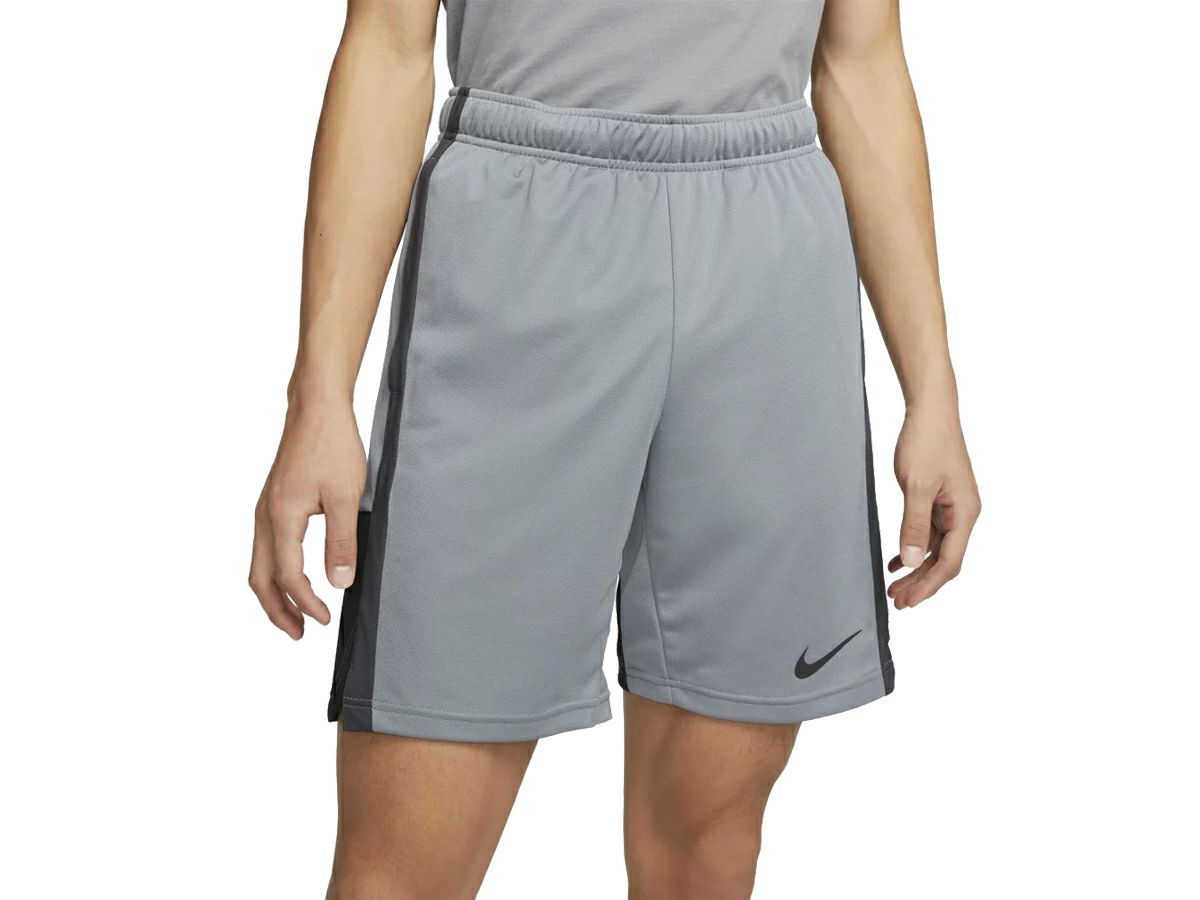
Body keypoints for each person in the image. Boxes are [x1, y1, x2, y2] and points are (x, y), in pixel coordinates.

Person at [249, 0, 981, 895]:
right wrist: (319, 395)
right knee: (404, 863)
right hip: (521, 233)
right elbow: (388, 47)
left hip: (767, 256)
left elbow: (862, 60)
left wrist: (933, 391)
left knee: (708, 837)